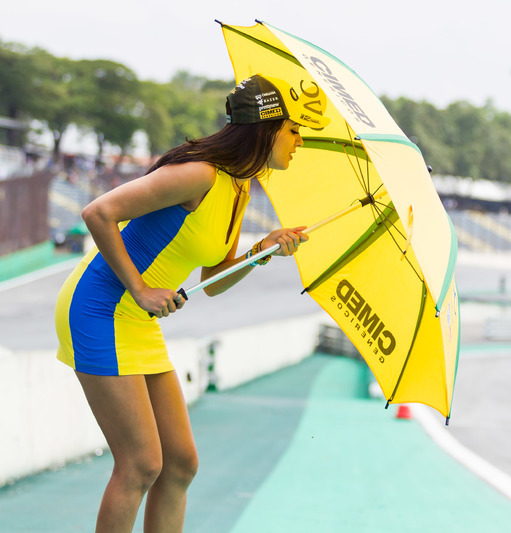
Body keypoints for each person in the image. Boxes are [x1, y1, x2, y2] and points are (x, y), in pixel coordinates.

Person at [54, 74, 330, 532]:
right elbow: (97, 213)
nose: (299, 141)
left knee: (180, 463)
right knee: (141, 464)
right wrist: (141, 290)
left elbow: (214, 282)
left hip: (137, 319)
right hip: (100, 307)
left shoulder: (240, 188)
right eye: (294, 130)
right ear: (266, 127)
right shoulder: (200, 174)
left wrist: (261, 252)